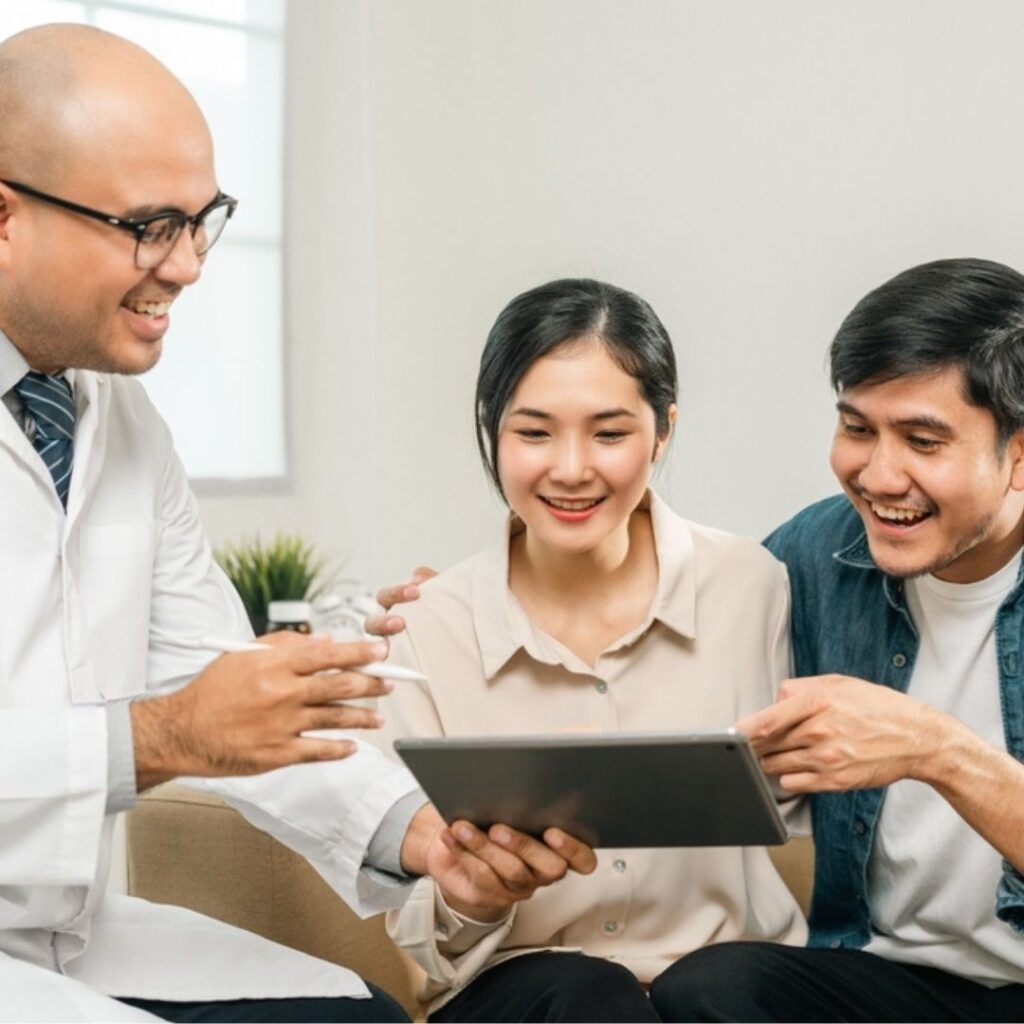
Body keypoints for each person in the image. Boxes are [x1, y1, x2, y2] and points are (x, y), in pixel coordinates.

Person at [0, 24, 595, 1023]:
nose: (188, 266)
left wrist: (420, 835)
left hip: (66, 929)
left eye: (203, 220)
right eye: (150, 224)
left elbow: (214, 684)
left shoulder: (124, 422)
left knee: (353, 1016)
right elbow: (186, 722)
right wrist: (159, 738)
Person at [369, 278, 807, 1022]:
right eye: (534, 433)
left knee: (717, 988)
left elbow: (807, 807)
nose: (571, 469)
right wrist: (469, 897)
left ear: (663, 429)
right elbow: (418, 933)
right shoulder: (423, 631)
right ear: (491, 429)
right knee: (585, 996)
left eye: (609, 434)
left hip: (724, 989)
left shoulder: (752, 587)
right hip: (529, 997)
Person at [642, 258, 1024, 1021]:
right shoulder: (819, 553)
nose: (878, 476)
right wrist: (487, 597)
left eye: (923, 440)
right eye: (856, 428)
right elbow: (659, 640)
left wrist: (935, 749)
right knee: (711, 991)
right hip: (888, 981)